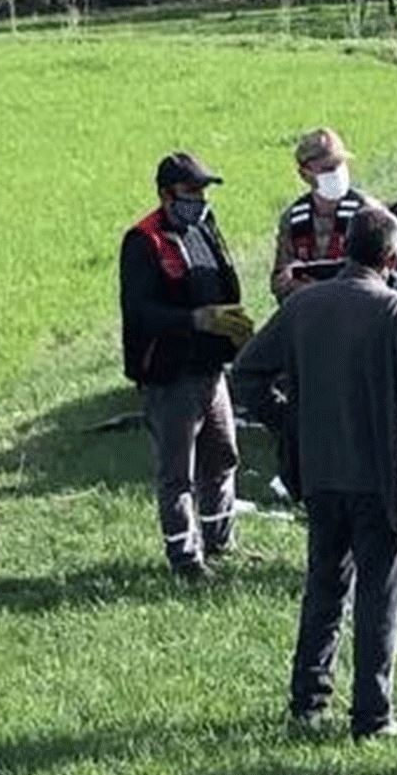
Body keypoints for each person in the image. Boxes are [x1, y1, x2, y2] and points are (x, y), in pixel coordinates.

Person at [233, 206, 397, 740]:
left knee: (324, 588)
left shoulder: (304, 305)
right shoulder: (393, 310)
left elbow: (247, 373)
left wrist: (288, 422)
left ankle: (308, 701)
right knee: (381, 596)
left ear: (345, 248)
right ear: (391, 258)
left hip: (319, 473)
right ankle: (372, 716)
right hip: (379, 476)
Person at [119, 152, 253, 582]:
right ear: (165, 195)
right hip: (171, 375)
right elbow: (139, 312)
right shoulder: (143, 241)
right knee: (178, 474)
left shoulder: (204, 229)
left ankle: (220, 542)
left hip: (212, 369)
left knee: (223, 457)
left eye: (203, 190)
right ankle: (185, 559)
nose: (199, 199)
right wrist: (195, 320)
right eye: (190, 191)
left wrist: (231, 326)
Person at [271, 127, 392, 302]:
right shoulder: (293, 219)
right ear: (305, 175)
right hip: (310, 308)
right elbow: (278, 282)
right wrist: (292, 282)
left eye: (340, 164)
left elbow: (386, 273)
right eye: (327, 169)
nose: (336, 173)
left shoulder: (369, 212)